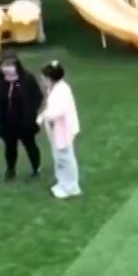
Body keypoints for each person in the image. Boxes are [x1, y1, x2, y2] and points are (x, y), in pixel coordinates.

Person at [0, 55, 43, 182]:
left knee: (30, 145)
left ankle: (36, 169)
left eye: (9, 66)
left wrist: (31, 114)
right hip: (7, 123)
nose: (6, 69)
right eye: (4, 66)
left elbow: (37, 97)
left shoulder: (27, 79)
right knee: (10, 147)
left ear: (16, 66)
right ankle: (10, 170)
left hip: (25, 122)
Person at [37, 61, 80, 199]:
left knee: (65, 158)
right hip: (57, 129)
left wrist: (44, 116)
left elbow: (57, 111)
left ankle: (70, 187)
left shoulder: (61, 91)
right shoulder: (55, 88)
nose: (42, 80)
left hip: (62, 130)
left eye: (44, 77)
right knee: (60, 157)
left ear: (50, 78)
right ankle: (63, 183)